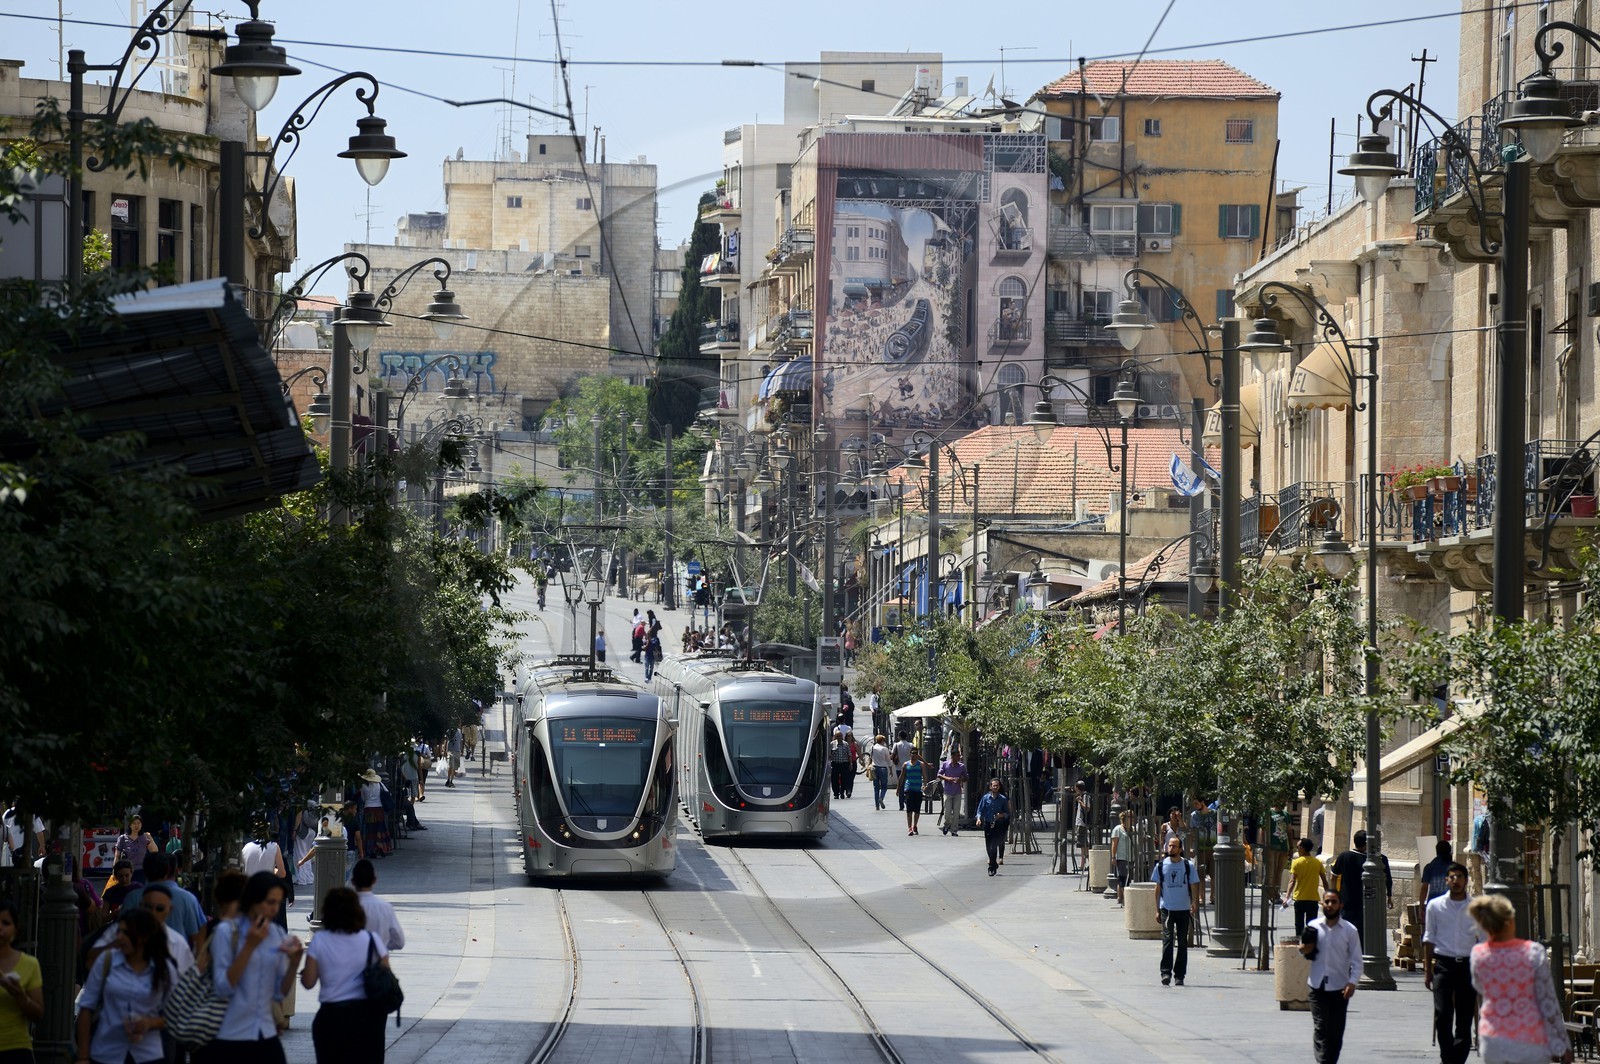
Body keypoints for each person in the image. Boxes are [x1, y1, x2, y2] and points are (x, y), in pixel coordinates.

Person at [201, 871, 304, 1064]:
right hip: (229, 1035)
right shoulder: (226, 931)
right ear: (253, 900)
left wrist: (294, 963)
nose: (274, 909)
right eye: (269, 902)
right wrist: (249, 946)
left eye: (278, 903)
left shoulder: (276, 933)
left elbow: (280, 993)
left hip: (265, 1033)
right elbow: (223, 987)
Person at [1469, 892, 1572, 1064]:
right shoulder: (1533, 952)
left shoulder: (1478, 955)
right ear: (1510, 922)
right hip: (1530, 1038)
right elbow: (1547, 1001)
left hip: (1493, 1038)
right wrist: (1562, 1043)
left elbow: (1479, 986)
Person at [75, 908, 177, 1064]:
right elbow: (86, 1007)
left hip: (148, 1055)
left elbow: (175, 1014)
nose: (119, 938)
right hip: (107, 1052)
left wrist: (149, 1023)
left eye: (126, 933)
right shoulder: (107, 961)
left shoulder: (163, 968)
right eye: (119, 931)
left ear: (143, 937)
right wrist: (83, 1057)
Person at [301, 887, 389, 1063]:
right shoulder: (372, 940)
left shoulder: (320, 940)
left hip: (331, 1017)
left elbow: (308, 982)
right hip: (366, 1019)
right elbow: (386, 978)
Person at [1423, 863, 1482, 1064]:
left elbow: (1482, 941)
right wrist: (1427, 971)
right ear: (1446, 880)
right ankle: (1448, 1057)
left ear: (1466, 880)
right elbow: (1429, 938)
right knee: (1442, 1014)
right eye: (1452, 877)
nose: (1455, 880)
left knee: (1464, 1019)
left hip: (1467, 966)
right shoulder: (1435, 906)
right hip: (1444, 965)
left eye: (1459, 877)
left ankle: (1456, 1060)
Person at [1299, 891, 1363, 1064]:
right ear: (1322, 904)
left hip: (1339, 988)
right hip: (1317, 986)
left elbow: (1357, 961)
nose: (1330, 905)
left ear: (1340, 905)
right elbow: (1304, 949)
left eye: (1333, 902)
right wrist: (1304, 948)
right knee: (1321, 1027)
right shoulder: (1313, 926)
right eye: (1327, 901)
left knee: (1335, 1032)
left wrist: (1352, 982)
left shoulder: (1350, 931)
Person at [1152, 836, 1199, 986]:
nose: (1170, 848)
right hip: (1167, 908)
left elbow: (1193, 885)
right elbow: (1157, 888)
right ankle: (1165, 973)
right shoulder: (1161, 865)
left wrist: (1194, 903)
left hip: (1183, 909)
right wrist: (1157, 909)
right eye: (1169, 846)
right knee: (1167, 940)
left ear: (1180, 849)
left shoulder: (1188, 865)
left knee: (1182, 943)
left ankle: (1180, 975)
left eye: (1174, 846)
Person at [0, 898, 43, 1064]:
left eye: (5, 923)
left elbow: (38, 1015)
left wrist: (19, 995)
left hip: (15, 1048)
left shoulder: (29, 964)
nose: (0, 928)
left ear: (16, 929)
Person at [1330, 829, 1391, 944]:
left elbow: (1333, 877)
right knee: (1363, 935)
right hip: (1367, 903)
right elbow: (1387, 879)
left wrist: (1334, 896)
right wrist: (1389, 896)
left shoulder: (1344, 856)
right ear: (1367, 843)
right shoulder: (1378, 859)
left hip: (1346, 902)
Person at [351, 860, 404, 952]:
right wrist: (382, 946)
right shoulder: (385, 907)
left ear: (353, 882)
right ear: (374, 880)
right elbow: (399, 941)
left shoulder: (345, 907)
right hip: (377, 960)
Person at [1289, 838, 1332, 935]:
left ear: (1303, 848)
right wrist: (1328, 895)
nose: (1297, 849)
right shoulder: (1317, 862)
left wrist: (1287, 896)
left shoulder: (1296, 862)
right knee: (1312, 926)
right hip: (1313, 899)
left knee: (1299, 925)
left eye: (1298, 847)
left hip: (1299, 898)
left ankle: (1300, 944)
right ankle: (1311, 945)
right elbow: (1325, 881)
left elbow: (1292, 881)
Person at [975, 779, 1010, 876]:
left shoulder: (1003, 799)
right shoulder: (985, 798)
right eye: (993, 785)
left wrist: (1001, 815)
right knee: (988, 845)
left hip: (998, 824)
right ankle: (993, 862)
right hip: (988, 824)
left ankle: (992, 867)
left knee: (994, 845)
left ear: (999, 787)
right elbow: (980, 810)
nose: (995, 787)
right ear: (990, 787)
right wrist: (978, 819)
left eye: (997, 785)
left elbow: (1007, 813)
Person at [1189, 796, 1218, 905]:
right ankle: (1201, 897)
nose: (1195, 806)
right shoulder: (1194, 816)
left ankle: (1213, 896)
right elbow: (1192, 832)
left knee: (1214, 874)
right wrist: (1191, 847)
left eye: (1196, 804)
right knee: (1200, 874)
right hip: (1200, 848)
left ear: (1203, 803)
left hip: (1214, 848)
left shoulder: (1215, 814)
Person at [937, 748, 967, 837]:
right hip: (947, 792)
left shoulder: (961, 766)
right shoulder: (946, 765)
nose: (959, 757)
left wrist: (960, 779)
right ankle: (946, 825)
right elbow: (939, 775)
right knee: (947, 812)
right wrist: (947, 778)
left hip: (957, 792)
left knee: (956, 812)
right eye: (957, 755)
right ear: (952, 756)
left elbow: (966, 778)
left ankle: (954, 830)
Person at [1418, 840, 1455, 906]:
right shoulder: (1455, 868)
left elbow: (1424, 888)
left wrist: (1421, 905)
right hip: (1450, 904)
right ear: (1449, 851)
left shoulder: (1429, 867)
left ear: (1437, 851)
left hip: (1433, 903)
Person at [1109, 810, 1134, 905]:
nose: (1132, 819)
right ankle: (1122, 897)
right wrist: (1113, 857)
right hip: (1122, 856)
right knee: (1122, 877)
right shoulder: (1118, 829)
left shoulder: (1132, 829)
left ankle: (1123, 897)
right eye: (1130, 817)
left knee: (1128, 877)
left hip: (1131, 856)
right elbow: (1114, 844)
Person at [901, 748, 925, 836]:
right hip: (908, 789)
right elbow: (902, 776)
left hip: (918, 789)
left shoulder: (921, 765)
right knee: (909, 810)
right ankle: (909, 828)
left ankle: (915, 825)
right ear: (909, 754)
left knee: (917, 810)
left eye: (915, 753)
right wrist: (898, 788)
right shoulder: (905, 764)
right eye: (912, 753)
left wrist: (925, 785)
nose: (914, 755)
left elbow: (925, 776)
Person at [866, 734, 892, 810]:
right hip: (883, 768)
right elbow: (888, 760)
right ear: (882, 741)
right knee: (884, 786)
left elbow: (870, 757)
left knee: (876, 787)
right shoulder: (885, 749)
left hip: (874, 768)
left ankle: (877, 805)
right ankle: (881, 798)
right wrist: (890, 770)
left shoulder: (873, 747)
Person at [891, 732, 914, 812]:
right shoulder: (911, 745)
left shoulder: (896, 745)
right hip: (909, 767)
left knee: (900, 785)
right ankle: (907, 801)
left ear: (899, 737)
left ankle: (901, 805)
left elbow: (892, 756)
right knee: (908, 785)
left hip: (899, 768)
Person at [829, 728, 853, 800]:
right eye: (837, 736)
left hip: (844, 763)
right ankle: (836, 793)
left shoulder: (845, 744)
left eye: (840, 736)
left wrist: (850, 763)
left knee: (844, 779)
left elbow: (849, 754)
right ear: (835, 737)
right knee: (834, 779)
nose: (839, 737)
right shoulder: (832, 744)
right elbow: (829, 754)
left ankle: (842, 792)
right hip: (835, 764)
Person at [1073, 781, 1093, 871]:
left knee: (1083, 845)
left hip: (1082, 823)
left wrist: (1080, 801)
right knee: (1084, 845)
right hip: (1080, 822)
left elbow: (1087, 808)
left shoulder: (1085, 796)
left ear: (1077, 788)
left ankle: (1084, 864)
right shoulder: (1084, 796)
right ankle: (1086, 863)